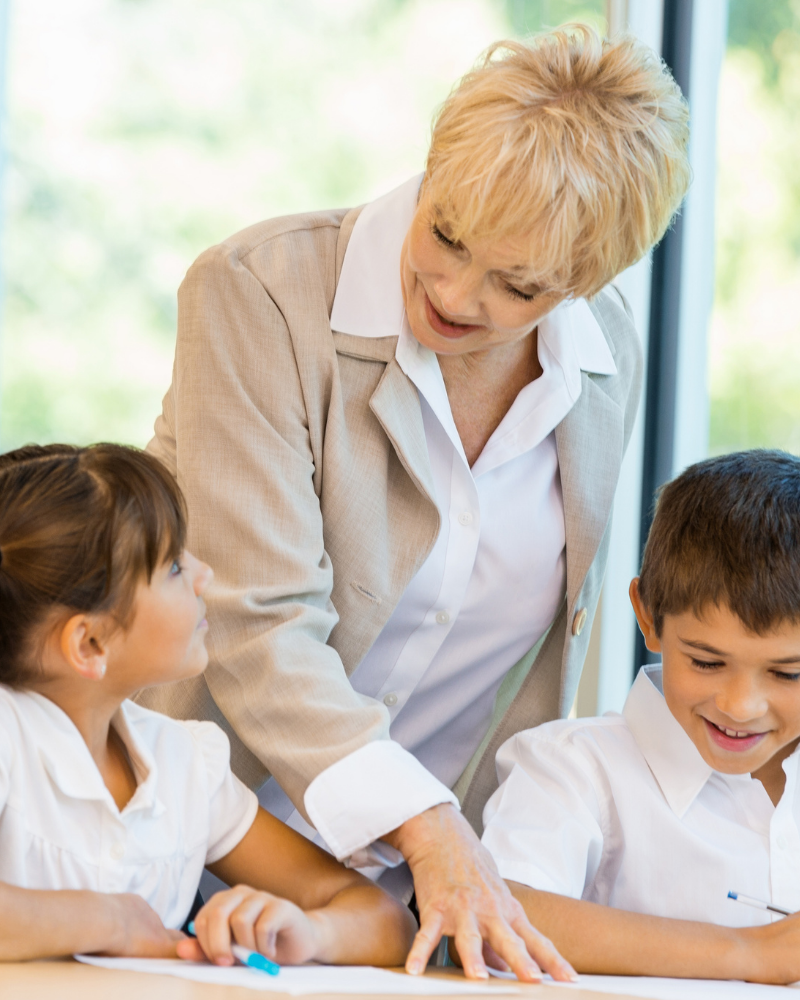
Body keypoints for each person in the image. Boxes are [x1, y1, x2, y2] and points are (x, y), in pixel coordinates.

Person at [140, 23, 690, 980]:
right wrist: (431, 830)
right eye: (446, 232)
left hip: (417, 912)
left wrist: (464, 857)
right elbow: (254, 621)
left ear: (587, 281)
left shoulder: (605, 359)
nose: (451, 289)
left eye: (517, 284)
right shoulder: (259, 294)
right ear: (433, 163)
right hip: (193, 851)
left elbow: (537, 660)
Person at [0, 443, 416, 965]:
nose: (205, 575)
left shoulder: (187, 762)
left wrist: (306, 932)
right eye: (173, 566)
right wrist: (112, 920)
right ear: (90, 645)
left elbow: (389, 923)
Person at [481, 450, 800, 985]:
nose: (740, 706)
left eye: (788, 674)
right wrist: (748, 954)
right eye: (706, 661)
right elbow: (502, 913)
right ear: (648, 618)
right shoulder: (576, 767)